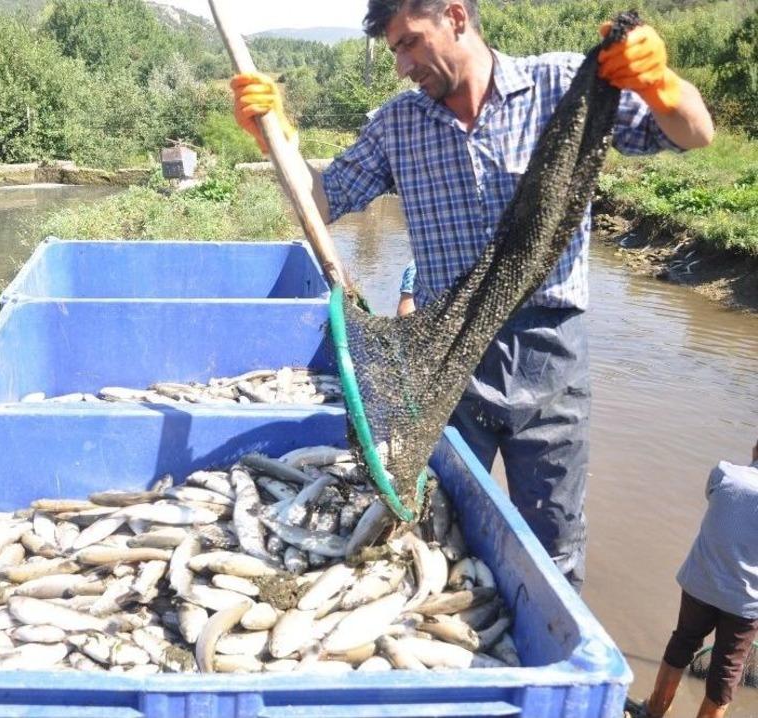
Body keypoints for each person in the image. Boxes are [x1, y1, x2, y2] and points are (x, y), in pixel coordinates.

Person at [231, 0, 714, 591]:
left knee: (554, 534)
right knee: (440, 523)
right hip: (446, 357)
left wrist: (661, 83)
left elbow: (693, 132)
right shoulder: (397, 124)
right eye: (394, 51)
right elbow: (323, 203)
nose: (403, 65)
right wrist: (273, 136)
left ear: (455, 16)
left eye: (409, 42)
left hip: (550, 349)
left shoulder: (560, 85)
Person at [629, 438, 758, 718]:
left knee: (683, 642)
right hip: (745, 603)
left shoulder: (724, 473)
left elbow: (717, 502)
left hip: (701, 585)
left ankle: (653, 710)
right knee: (728, 670)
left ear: (755, 450)